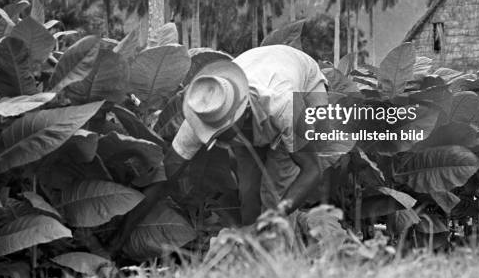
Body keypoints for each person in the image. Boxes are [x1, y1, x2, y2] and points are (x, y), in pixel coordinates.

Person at [114, 44, 342, 250]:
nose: (216, 138)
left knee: (275, 194)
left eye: (221, 132)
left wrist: (277, 213)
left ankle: (284, 267)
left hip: (304, 84)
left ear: (241, 115)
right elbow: (166, 174)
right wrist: (120, 236)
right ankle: (254, 262)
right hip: (258, 74)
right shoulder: (206, 112)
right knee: (250, 198)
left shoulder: (283, 105)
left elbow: (312, 170)